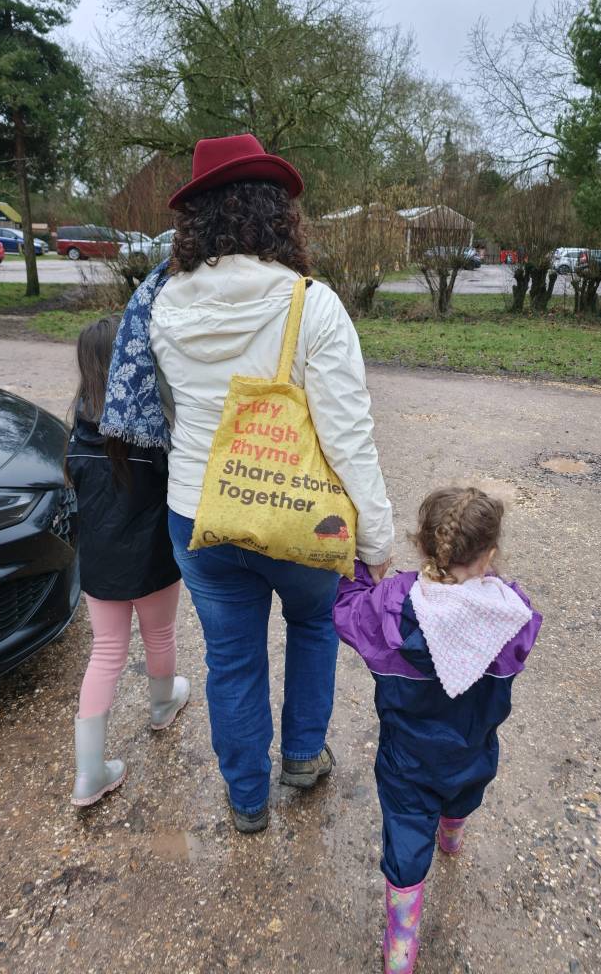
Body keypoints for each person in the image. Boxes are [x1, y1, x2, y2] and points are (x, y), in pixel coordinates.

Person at [100, 134, 394, 833]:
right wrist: (376, 538)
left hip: (199, 513)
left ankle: (246, 797)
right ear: (275, 214)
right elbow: (348, 437)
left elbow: (164, 410)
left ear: (195, 219)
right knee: (313, 624)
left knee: (231, 658)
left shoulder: (162, 305)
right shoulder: (311, 304)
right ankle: (302, 756)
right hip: (296, 514)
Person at [333, 487, 542, 974]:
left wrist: (359, 570)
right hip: (471, 751)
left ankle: (401, 945)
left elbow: (345, 611)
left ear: (424, 546)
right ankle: (451, 836)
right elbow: (524, 630)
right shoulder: (512, 614)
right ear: (489, 555)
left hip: (406, 761)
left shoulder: (390, 605)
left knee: (407, 837)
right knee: (462, 794)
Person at [66, 316, 189, 808]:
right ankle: (162, 705)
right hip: (153, 560)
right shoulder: (154, 431)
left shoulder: (77, 433)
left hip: (100, 566)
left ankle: (88, 772)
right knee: (160, 635)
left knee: (106, 652)